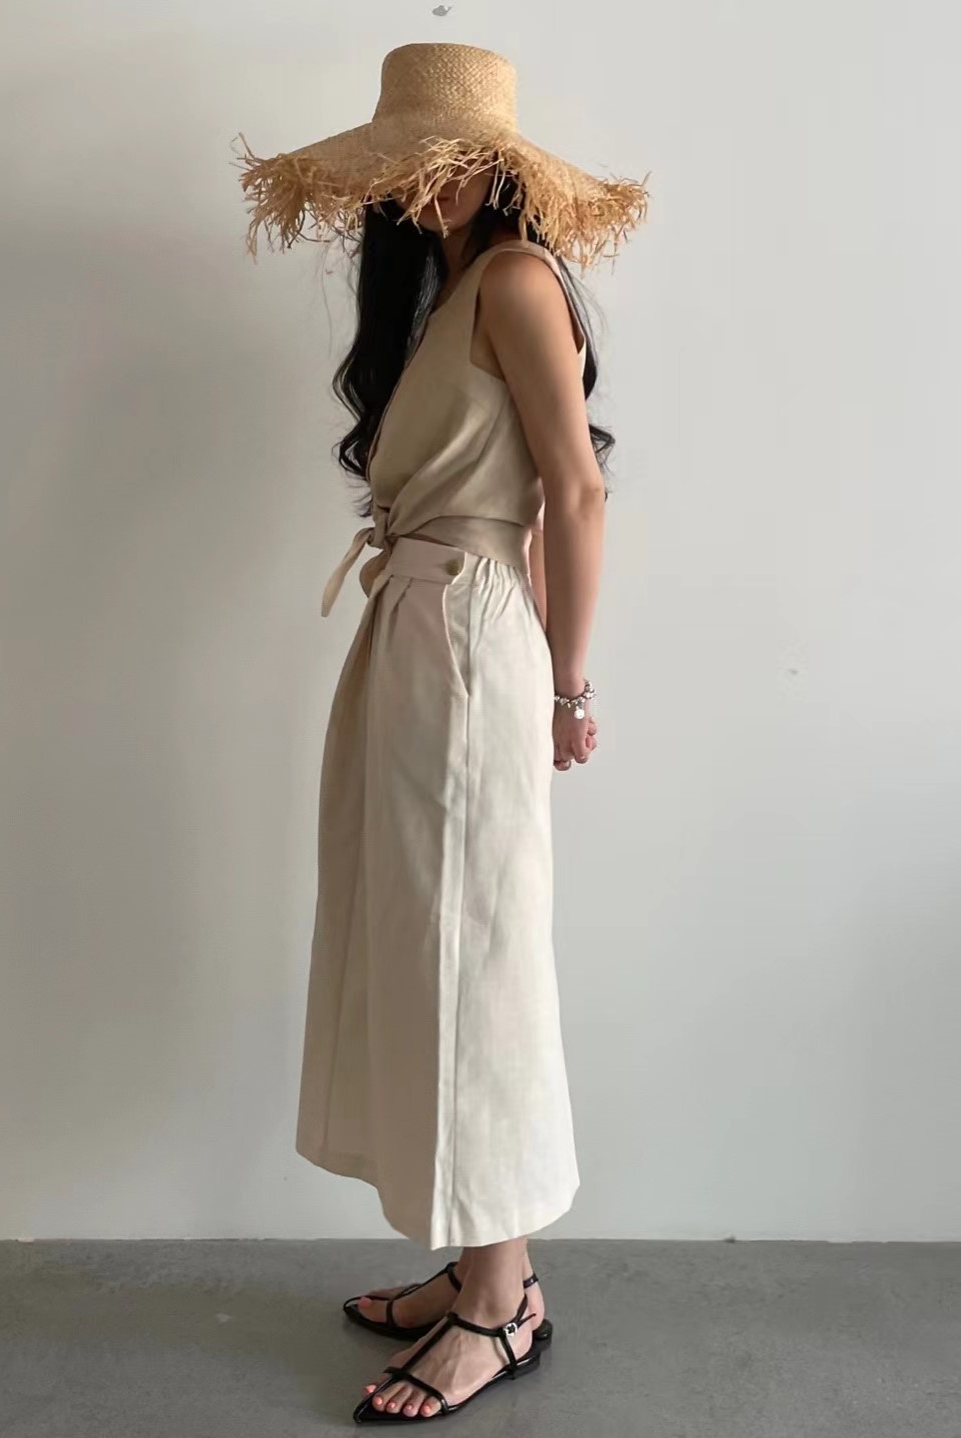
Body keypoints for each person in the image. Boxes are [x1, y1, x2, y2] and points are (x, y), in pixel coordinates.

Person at [233, 41, 649, 1424]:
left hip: (466, 642)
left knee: (472, 957)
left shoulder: (518, 281)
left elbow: (573, 492)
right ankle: (478, 1260)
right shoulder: (453, 288)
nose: (421, 188)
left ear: (495, 165)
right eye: (403, 166)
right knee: (426, 945)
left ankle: (501, 1303)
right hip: (425, 633)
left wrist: (569, 684)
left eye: (444, 160)